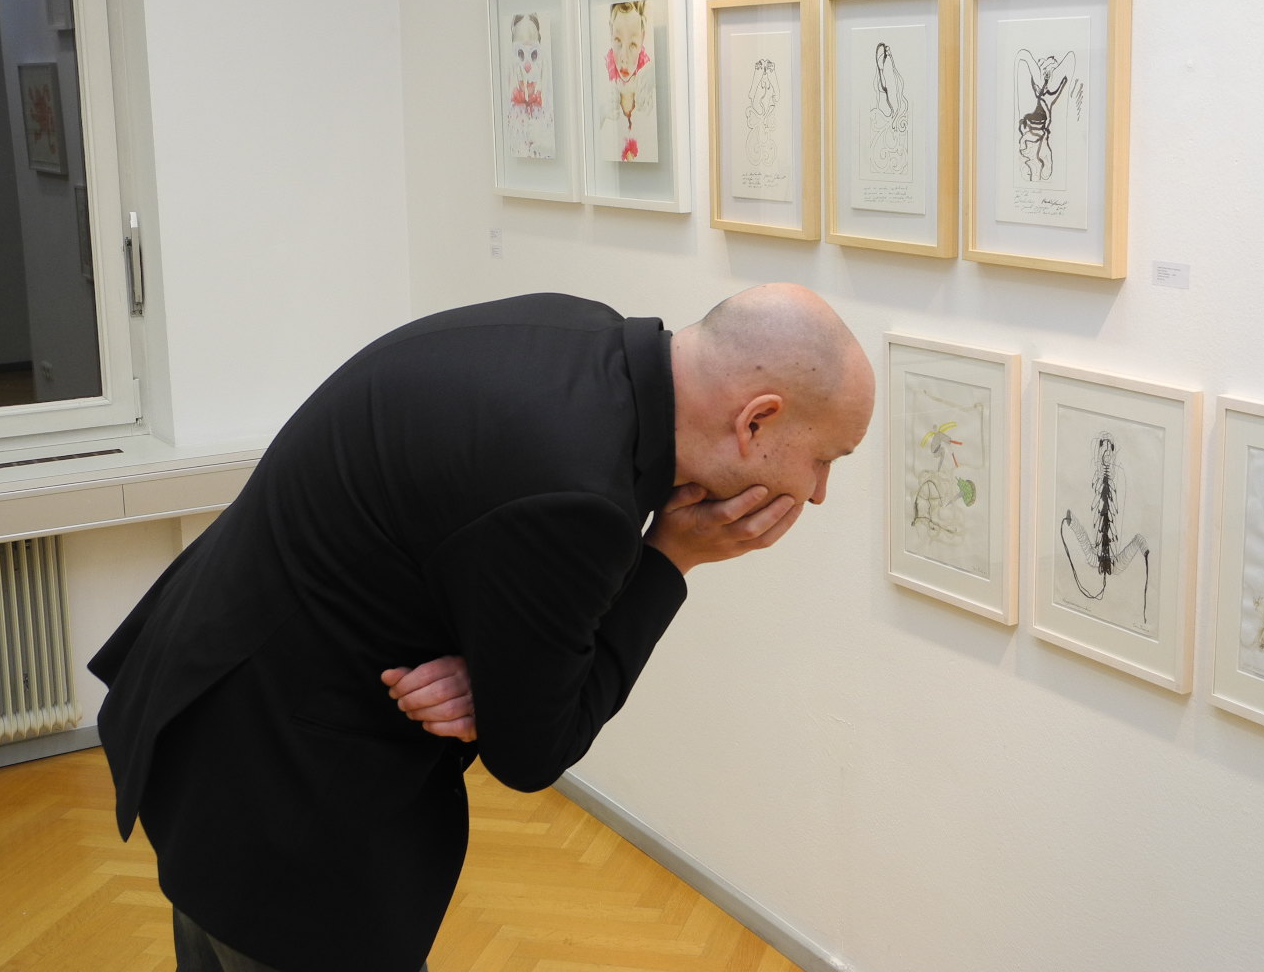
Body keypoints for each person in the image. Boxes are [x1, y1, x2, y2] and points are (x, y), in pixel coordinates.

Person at [88, 283, 874, 972]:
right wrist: (672, 558)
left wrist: (499, 669)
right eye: (826, 458)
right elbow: (533, 751)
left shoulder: (583, 338)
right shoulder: (576, 493)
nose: (818, 492)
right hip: (282, 806)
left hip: (208, 700)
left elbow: (472, 544)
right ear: (757, 421)